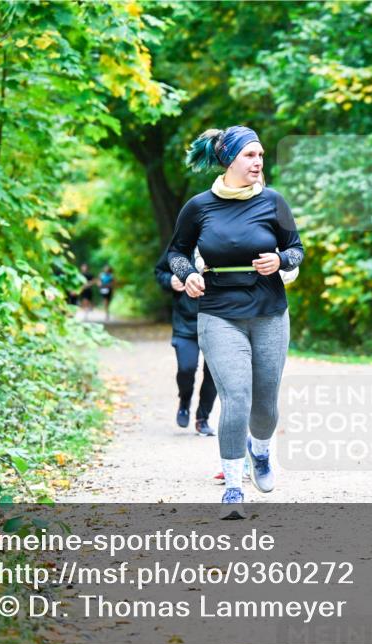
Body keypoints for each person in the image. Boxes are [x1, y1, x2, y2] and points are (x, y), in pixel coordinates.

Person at [167, 125, 304, 519]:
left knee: (264, 403)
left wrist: (280, 260)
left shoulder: (274, 202)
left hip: (269, 312)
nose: (258, 162)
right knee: (237, 397)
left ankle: (259, 452)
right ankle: (232, 485)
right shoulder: (199, 207)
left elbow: (296, 250)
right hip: (218, 313)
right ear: (229, 160)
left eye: (261, 155)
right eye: (249, 155)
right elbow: (176, 253)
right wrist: (189, 274)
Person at [154, 248, 218, 436]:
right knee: (186, 368)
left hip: (218, 319)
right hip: (185, 322)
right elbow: (160, 271)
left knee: (214, 372)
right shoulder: (184, 242)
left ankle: (202, 418)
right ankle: (184, 401)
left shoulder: (223, 239)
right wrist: (170, 281)